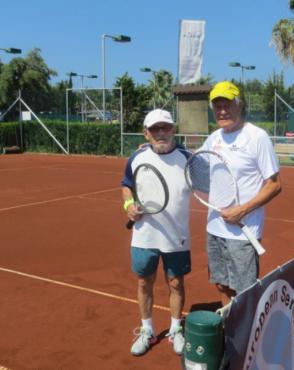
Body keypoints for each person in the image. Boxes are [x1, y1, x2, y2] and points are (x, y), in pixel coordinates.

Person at [199, 81, 282, 306]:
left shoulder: (257, 137)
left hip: (243, 232)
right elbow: (192, 165)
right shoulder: (214, 138)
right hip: (214, 228)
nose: (222, 111)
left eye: (227, 105)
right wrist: (154, 150)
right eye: (217, 106)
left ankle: (246, 336)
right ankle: (230, 328)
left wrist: (242, 210)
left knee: (245, 290)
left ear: (239, 105)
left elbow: (274, 185)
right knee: (221, 283)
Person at [121, 109, 192, 356]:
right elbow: (127, 186)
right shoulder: (137, 157)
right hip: (144, 235)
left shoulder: (188, 158)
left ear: (173, 129)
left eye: (166, 127)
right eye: (155, 129)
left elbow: (210, 180)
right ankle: (148, 330)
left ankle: (175, 330)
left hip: (176, 235)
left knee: (176, 283)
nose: (161, 133)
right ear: (146, 133)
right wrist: (129, 206)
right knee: (144, 282)